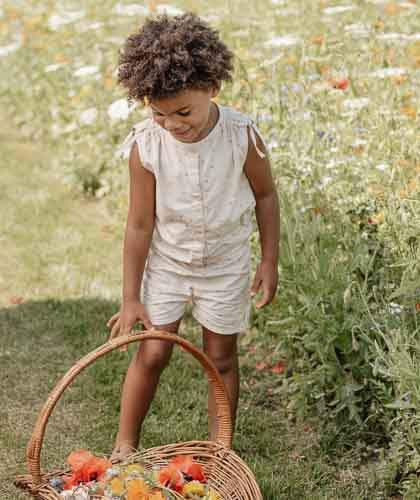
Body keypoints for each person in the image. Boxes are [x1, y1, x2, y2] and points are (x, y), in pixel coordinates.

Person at [106, 12, 280, 460]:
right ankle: (125, 443)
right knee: (152, 353)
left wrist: (268, 261)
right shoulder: (147, 145)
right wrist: (131, 297)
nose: (172, 124)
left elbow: (265, 196)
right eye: (159, 113)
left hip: (225, 264)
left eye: (183, 111)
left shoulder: (242, 136)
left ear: (212, 88)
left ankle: (220, 448)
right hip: (167, 264)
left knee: (221, 358)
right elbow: (140, 224)